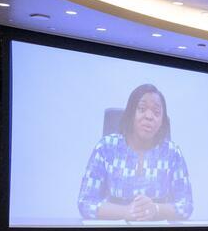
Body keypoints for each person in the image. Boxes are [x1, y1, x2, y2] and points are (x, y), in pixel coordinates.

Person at [76, 83, 193, 221]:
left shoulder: (172, 153)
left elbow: (186, 206)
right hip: (114, 230)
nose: (149, 116)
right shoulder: (106, 147)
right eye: (142, 109)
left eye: (156, 112)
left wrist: (155, 209)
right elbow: (85, 202)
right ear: (131, 113)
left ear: (162, 121)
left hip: (158, 230)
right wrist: (125, 212)